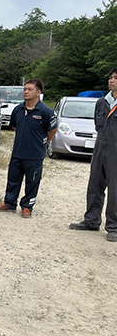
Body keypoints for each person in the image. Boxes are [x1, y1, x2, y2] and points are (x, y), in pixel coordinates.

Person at [0, 78, 57, 218]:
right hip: (18, 152)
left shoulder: (46, 111)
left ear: (38, 92)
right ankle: (9, 203)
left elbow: (53, 130)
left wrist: (43, 142)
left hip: (35, 155)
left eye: (30, 89)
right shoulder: (18, 110)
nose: (26, 91)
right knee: (13, 179)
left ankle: (27, 207)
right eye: (25, 89)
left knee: (32, 182)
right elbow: (15, 127)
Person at [69, 67, 117, 242]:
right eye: (110, 77)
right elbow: (98, 125)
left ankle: (113, 226)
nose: (111, 80)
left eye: (116, 78)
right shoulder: (101, 102)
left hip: (116, 151)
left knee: (115, 190)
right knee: (94, 185)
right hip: (100, 148)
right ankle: (91, 220)